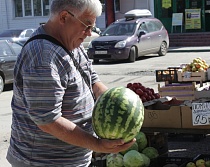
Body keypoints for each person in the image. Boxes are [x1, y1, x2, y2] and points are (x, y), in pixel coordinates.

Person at [6, 0, 135, 166]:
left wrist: (118, 103)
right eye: (87, 26)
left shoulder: (71, 44)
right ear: (64, 17)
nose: (89, 33)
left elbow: (92, 80)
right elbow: (48, 121)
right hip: (43, 162)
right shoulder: (43, 57)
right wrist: (97, 145)